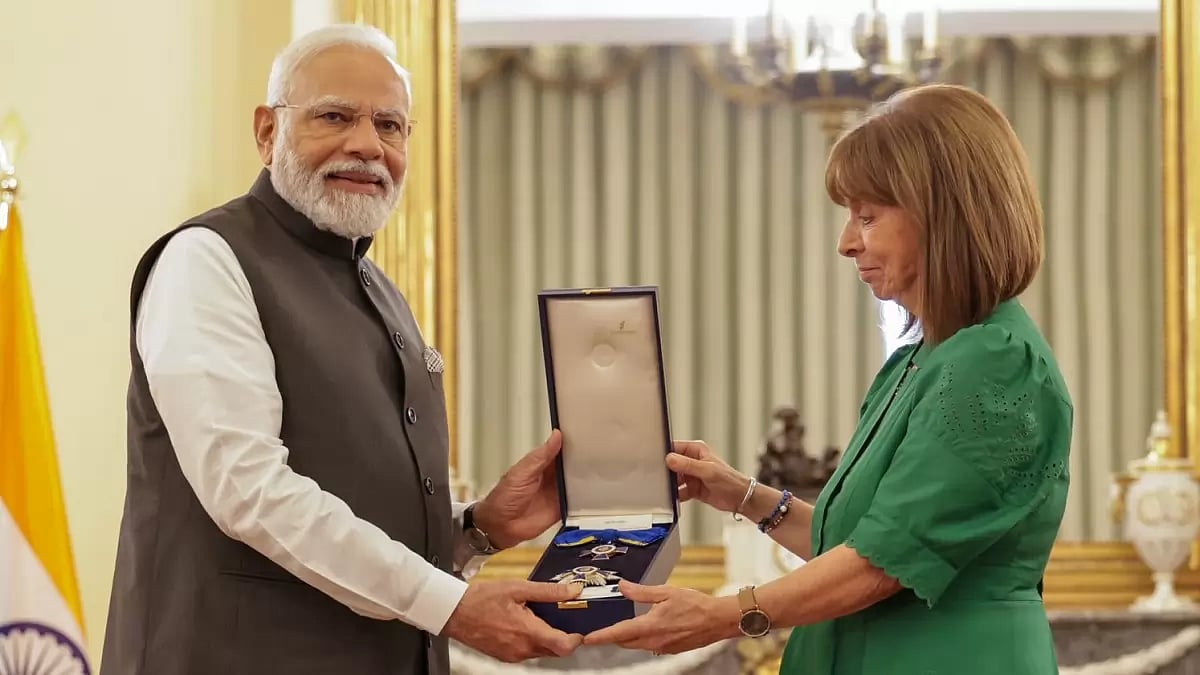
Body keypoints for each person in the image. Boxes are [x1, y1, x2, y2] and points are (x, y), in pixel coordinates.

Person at [101, 24, 583, 675]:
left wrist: (478, 528)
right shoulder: (207, 260)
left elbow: (360, 510)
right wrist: (453, 604)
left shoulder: (384, 294)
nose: (367, 145)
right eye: (335, 116)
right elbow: (248, 488)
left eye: (391, 125)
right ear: (268, 132)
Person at [584, 83, 1073, 674]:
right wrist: (739, 494)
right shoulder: (921, 360)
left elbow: (881, 565)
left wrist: (721, 615)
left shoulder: (995, 362)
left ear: (945, 216)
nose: (847, 242)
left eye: (867, 216)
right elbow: (859, 540)